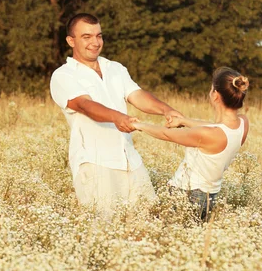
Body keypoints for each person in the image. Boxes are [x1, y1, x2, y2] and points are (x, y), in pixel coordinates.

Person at [50, 13, 182, 212]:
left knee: (146, 222)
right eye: (87, 37)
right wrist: (118, 117)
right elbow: (85, 105)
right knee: (104, 231)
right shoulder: (63, 75)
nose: (95, 42)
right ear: (71, 41)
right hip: (96, 164)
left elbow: (137, 95)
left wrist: (167, 110)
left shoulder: (115, 68)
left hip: (131, 160)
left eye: (99, 36)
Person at [133, 67, 250, 219]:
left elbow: (166, 134)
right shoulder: (242, 123)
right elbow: (213, 128)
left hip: (186, 194)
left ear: (215, 95)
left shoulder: (208, 134)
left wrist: (137, 125)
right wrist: (183, 121)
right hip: (209, 196)